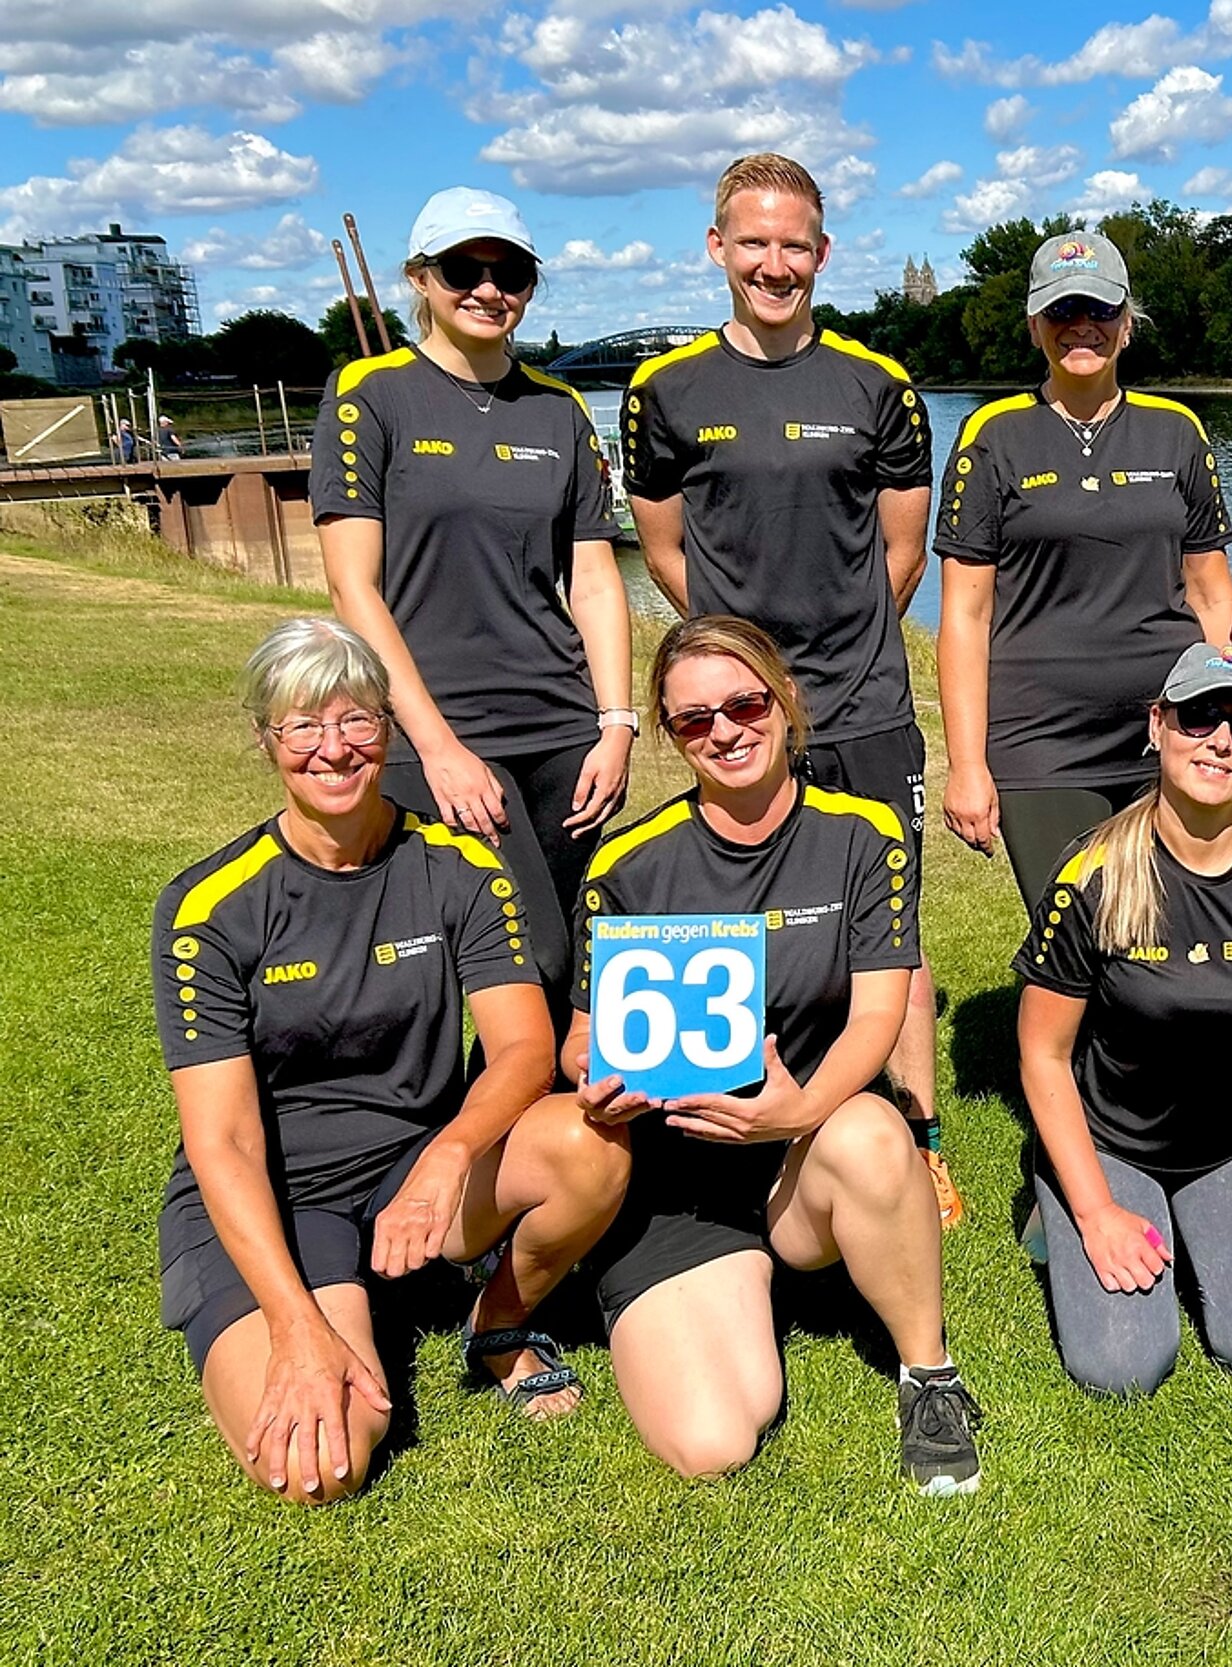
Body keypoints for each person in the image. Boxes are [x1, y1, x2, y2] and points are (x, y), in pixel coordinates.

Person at [151, 619, 627, 1505]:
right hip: (284, 1196)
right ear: (267, 740)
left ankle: (497, 1319)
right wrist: (295, 1326)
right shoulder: (208, 906)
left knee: (587, 1142)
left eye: (358, 720)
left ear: (390, 727)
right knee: (321, 1467)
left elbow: (524, 1048)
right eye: (303, 726)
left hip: (414, 1169)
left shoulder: (458, 865)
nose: (334, 748)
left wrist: (449, 1155)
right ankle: (332, 1303)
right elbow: (221, 1140)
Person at [563, 616, 982, 1489]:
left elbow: (879, 1012)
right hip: (680, 1180)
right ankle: (697, 1291)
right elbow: (581, 1037)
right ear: (673, 735)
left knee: (872, 1132)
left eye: (745, 702)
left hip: (806, 1146)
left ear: (785, 700)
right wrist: (594, 1084)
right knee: (715, 1441)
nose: (725, 729)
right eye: (693, 719)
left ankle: (929, 1377)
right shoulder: (628, 865)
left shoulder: (865, 835)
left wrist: (796, 1110)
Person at [622, 153, 957, 1229]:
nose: (775, 263)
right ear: (717, 250)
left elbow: (903, 554)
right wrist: (739, 668)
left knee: (888, 923)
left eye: (794, 243)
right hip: (736, 710)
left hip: (863, 701)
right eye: (752, 242)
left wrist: (838, 648)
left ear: (823, 251)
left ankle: (915, 1133)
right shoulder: (663, 391)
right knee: (739, 904)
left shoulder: (879, 386)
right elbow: (665, 549)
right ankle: (740, 1110)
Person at [315, 184, 633, 1025]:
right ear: (420, 277)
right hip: (444, 729)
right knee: (528, 959)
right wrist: (439, 745)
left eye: (512, 273)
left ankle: (550, 1147)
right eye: (465, 269)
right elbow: (355, 587)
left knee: (559, 958)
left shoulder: (560, 410)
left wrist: (617, 723)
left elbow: (595, 580)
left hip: (565, 734)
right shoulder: (370, 394)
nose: (490, 290)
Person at [1015, 643, 1232, 1397]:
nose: (1220, 740)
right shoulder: (1090, 874)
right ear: (1158, 724)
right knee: (1122, 1367)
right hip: (1117, 1143)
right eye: (1199, 715)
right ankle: (1061, 1201)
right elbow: (1041, 1053)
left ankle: (1205, 1222)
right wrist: (1096, 1209)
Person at [936, 231, 1232, 914]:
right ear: (1034, 325)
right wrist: (967, 764)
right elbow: (964, 614)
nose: (1082, 327)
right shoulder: (991, 435)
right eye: (1062, 311)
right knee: (1075, 932)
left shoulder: (1178, 430)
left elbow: (1213, 592)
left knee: (1174, 933)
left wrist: (1224, 720)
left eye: (1100, 310)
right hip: (1039, 740)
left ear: (1127, 323)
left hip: (1171, 730)